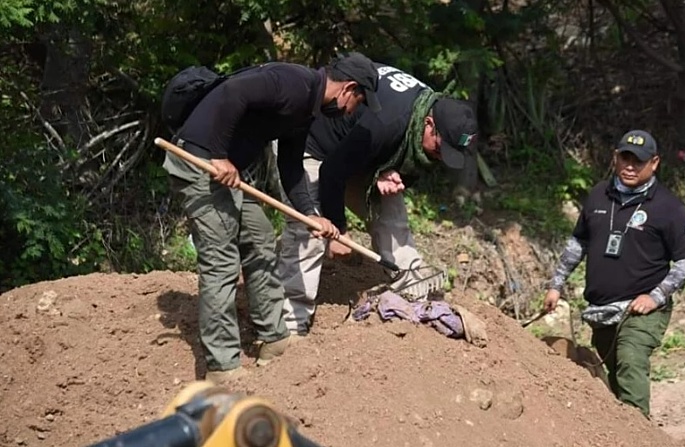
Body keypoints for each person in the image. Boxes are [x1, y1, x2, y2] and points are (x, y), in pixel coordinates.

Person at [161, 53, 381, 383]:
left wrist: (311, 215)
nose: (351, 111)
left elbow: (290, 167)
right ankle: (222, 368)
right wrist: (219, 154)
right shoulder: (294, 84)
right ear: (349, 88)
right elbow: (233, 91)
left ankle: (275, 339)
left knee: (261, 238)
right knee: (222, 260)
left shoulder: (306, 108)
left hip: (226, 174)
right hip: (198, 162)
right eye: (358, 102)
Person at [276, 63, 478, 336]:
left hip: (354, 152)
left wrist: (385, 171)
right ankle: (290, 325)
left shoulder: (427, 110)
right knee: (310, 232)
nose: (441, 157)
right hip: (310, 147)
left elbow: (382, 152)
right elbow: (331, 172)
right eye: (442, 149)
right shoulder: (390, 122)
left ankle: (414, 295)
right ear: (429, 125)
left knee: (393, 215)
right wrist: (339, 231)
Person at [542, 129, 685, 418]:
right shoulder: (598, 195)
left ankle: (639, 432)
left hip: (642, 310)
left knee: (630, 359)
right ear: (615, 158)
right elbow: (578, 243)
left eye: (638, 161)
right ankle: (620, 429)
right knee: (614, 374)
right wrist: (557, 283)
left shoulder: (670, 208)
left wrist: (656, 296)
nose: (630, 166)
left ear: (654, 163)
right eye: (625, 158)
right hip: (602, 309)